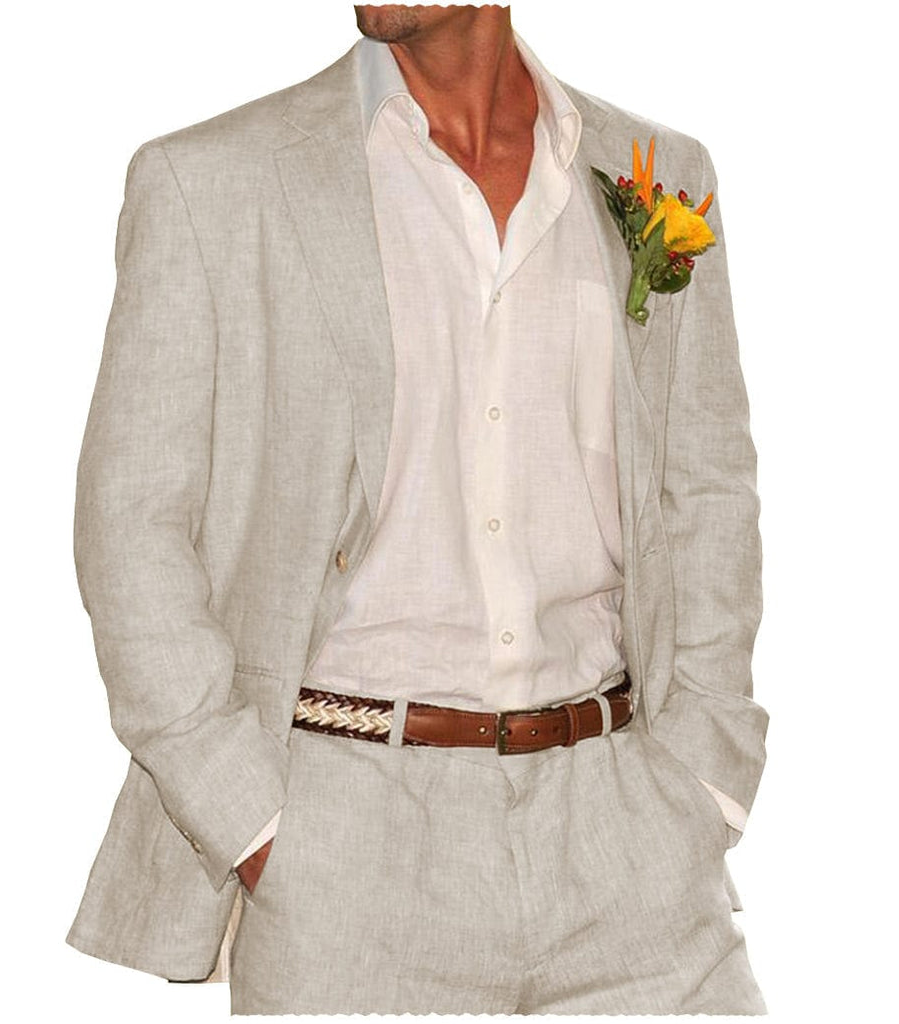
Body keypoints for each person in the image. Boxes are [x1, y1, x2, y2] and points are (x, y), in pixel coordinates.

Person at [65, 3, 769, 1014]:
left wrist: (702, 780)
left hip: (627, 836)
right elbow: (130, 525)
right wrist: (255, 825)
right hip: (349, 845)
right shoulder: (212, 180)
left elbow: (705, 485)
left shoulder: (653, 172)